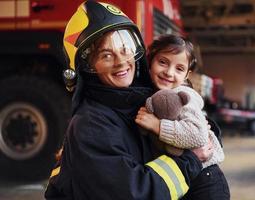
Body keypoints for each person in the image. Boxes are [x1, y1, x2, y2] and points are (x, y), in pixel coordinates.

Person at [45, 1, 213, 199]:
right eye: (106, 55)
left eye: (125, 48)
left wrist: (202, 131)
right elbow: (134, 192)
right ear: (86, 69)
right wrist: (190, 160)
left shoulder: (140, 97)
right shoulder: (91, 126)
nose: (121, 61)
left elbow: (202, 127)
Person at [135, 34, 230, 199]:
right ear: (150, 62)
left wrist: (157, 125)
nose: (169, 72)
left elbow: (198, 136)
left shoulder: (183, 94)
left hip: (206, 181)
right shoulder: (157, 95)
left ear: (187, 74)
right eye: (163, 62)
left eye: (179, 68)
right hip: (184, 178)